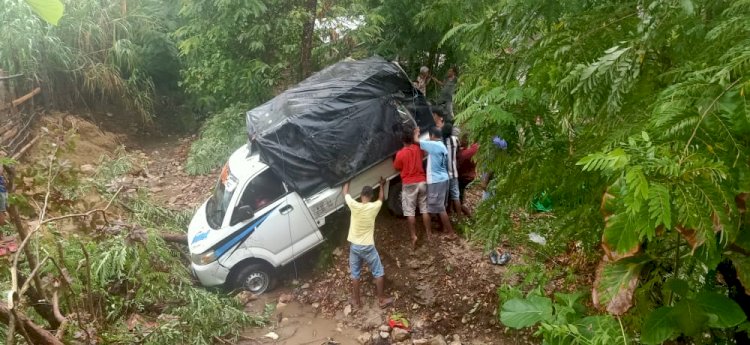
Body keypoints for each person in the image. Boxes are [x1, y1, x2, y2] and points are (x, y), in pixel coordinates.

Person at [343, 178, 393, 308]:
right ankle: (381, 299)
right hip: (368, 247)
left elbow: (345, 193)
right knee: (378, 272)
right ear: (371, 196)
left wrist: (347, 180)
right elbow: (381, 199)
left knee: (355, 274)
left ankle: (357, 301)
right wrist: (382, 185)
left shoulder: (354, 205)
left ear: (361, 195)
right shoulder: (374, 207)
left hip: (354, 247)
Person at [414, 126, 456, 237]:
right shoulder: (442, 146)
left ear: (432, 136)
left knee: (439, 207)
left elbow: (416, 141)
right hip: (444, 178)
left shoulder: (433, 145)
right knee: (441, 206)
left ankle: (451, 233)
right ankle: (445, 230)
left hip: (436, 181)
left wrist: (417, 132)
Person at [393, 125, 432, 248]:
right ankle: (429, 233)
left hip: (409, 184)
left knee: (410, 212)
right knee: (424, 209)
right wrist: (417, 133)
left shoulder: (400, 154)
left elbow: (397, 167)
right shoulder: (418, 149)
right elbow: (423, 152)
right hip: (421, 181)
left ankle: (413, 235)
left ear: (402, 140)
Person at [442, 123, 463, 221]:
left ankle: (445, 219)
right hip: (454, 172)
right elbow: (459, 151)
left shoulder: (441, 142)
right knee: (456, 196)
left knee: (444, 197)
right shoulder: (456, 139)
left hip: (444, 174)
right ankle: (459, 218)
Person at [457, 135, 479, 216]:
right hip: (470, 177)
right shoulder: (472, 150)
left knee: (458, 200)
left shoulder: (461, 154)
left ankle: (469, 216)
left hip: (462, 178)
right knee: (460, 195)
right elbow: (476, 146)